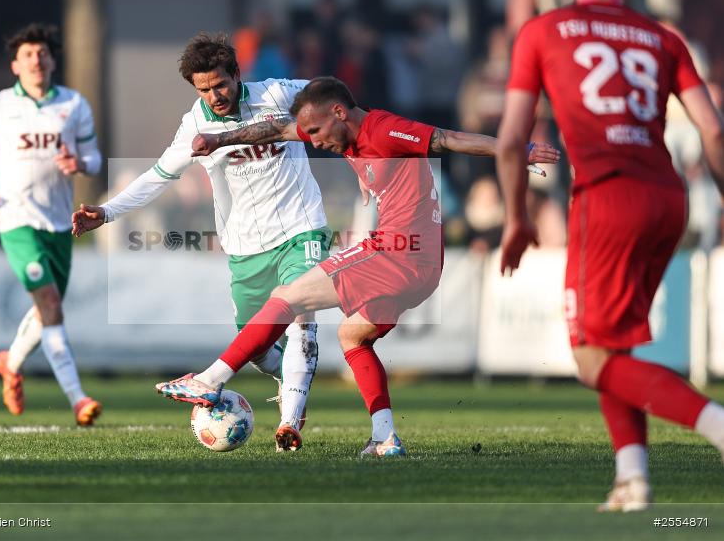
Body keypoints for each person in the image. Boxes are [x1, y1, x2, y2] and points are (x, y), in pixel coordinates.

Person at [155, 76, 559, 457]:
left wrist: (515, 150)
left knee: (286, 296)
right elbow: (276, 130)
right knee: (353, 336)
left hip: (398, 252)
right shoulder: (341, 133)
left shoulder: (384, 129)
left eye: (316, 132)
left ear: (339, 112)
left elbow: (447, 138)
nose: (313, 141)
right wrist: (218, 139)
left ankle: (210, 380)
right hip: (421, 264)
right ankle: (385, 437)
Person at [495, 0, 724, 512]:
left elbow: (510, 141)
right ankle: (632, 480)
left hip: (607, 197)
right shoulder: (663, 38)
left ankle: (716, 423)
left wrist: (517, 217)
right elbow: (713, 130)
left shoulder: (543, 31)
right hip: (667, 198)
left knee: (592, 360)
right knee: (612, 346)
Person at [72, 34, 329, 452]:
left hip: (302, 229)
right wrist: (107, 212)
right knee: (256, 345)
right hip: (246, 247)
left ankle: (290, 422)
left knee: (302, 315)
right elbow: (158, 176)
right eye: (204, 89)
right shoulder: (195, 123)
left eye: (220, 85)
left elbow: (333, 98)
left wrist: (369, 145)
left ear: (237, 74)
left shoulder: (278, 94)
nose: (214, 96)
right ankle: (291, 378)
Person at [0, 23, 103, 426]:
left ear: (53, 61)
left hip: (58, 225)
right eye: (27, 55)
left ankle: (11, 362)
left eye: (42, 53)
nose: (36, 60)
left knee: (46, 311)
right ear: (15, 65)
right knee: (51, 304)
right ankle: (77, 398)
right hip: (16, 221)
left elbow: (94, 158)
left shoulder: (74, 104)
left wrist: (79, 163)